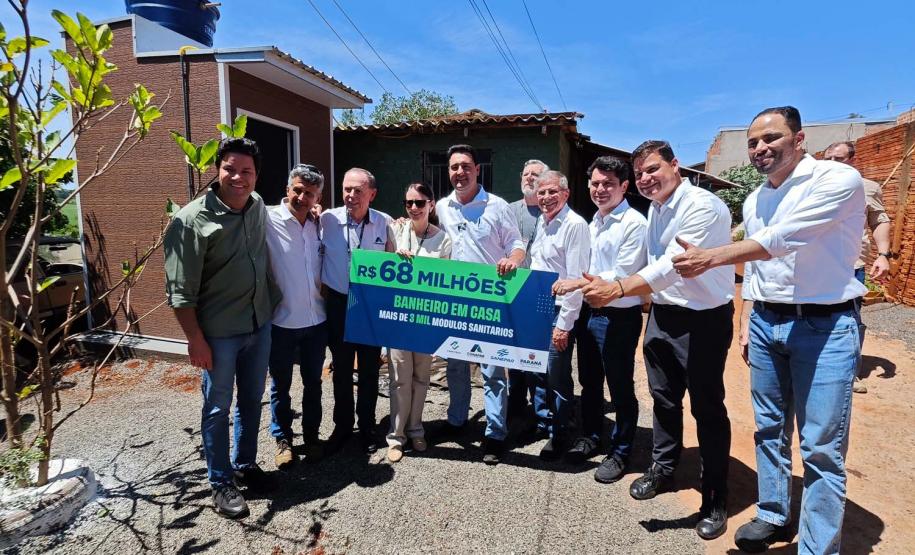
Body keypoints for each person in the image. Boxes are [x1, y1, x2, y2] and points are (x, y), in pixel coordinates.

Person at [672, 106, 866, 554]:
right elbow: (759, 272)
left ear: (799, 140)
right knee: (768, 428)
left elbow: (787, 238)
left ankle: (818, 547)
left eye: (771, 138)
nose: (760, 148)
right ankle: (774, 514)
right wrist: (747, 320)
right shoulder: (757, 197)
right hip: (766, 322)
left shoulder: (836, 180)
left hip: (825, 325)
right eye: (753, 143)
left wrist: (712, 256)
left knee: (821, 447)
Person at [568, 140, 735, 540]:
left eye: (652, 170)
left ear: (675, 165)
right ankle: (663, 468)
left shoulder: (701, 206)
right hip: (664, 315)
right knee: (663, 398)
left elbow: (670, 266)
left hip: (705, 319)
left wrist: (620, 287)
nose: (646, 179)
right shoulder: (657, 210)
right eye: (640, 172)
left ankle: (714, 496)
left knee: (707, 408)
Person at [164, 137, 277, 519]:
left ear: (256, 175)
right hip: (219, 335)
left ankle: (244, 465)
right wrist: (195, 339)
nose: (238, 177)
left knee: (251, 400)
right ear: (217, 169)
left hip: (258, 325)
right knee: (217, 407)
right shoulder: (190, 221)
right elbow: (180, 291)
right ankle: (220, 482)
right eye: (231, 168)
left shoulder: (258, 205)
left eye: (247, 171)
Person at [554, 156, 647, 481]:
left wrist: (576, 283)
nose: (600, 189)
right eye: (595, 183)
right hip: (589, 314)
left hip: (618, 317)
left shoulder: (634, 224)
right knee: (590, 382)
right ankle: (591, 436)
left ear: (624, 186)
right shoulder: (594, 222)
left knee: (620, 385)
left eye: (608, 183)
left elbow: (619, 275)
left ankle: (621, 452)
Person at [435, 144, 526, 465]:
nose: (459, 172)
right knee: (455, 366)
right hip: (454, 302)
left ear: (477, 170)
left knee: (492, 371)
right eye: (454, 167)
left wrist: (513, 260)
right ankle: (457, 421)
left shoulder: (497, 206)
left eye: (465, 166)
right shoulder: (443, 206)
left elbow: (517, 243)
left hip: (490, 301)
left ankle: (495, 435)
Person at [320, 168, 395, 454]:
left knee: (368, 370)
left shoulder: (385, 223)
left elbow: (397, 258)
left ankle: (366, 426)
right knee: (340, 368)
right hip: (339, 302)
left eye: (358, 191)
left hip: (369, 305)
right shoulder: (326, 219)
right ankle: (342, 426)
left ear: (372, 194)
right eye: (346, 189)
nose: (350, 196)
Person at [265, 164, 328, 468]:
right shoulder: (267, 218)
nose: (302, 197)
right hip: (281, 322)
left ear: (318, 198)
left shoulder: (319, 225)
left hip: (316, 321)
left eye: (310, 193)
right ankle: (282, 439)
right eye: (298, 190)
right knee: (280, 386)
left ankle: (312, 436)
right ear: (288, 189)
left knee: (313, 383)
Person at [386, 183, 453, 463]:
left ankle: (416, 429)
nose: (414, 207)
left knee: (421, 377)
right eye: (409, 202)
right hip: (399, 318)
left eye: (420, 202)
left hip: (426, 319)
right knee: (399, 379)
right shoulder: (394, 230)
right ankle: (396, 436)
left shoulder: (443, 240)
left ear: (431, 204)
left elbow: (447, 281)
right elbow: (382, 268)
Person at [527, 170, 590, 460]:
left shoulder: (575, 225)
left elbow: (576, 279)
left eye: (553, 192)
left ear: (565, 194)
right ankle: (544, 422)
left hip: (559, 310)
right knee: (537, 369)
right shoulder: (542, 221)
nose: (546, 197)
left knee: (557, 373)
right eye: (541, 192)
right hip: (538, 305)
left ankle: (561, 432)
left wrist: (564, 325)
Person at [824, 140, 892, 394]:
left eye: (839, 159)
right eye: (828, 158)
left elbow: (879, 220)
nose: (832, 164)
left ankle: (849, 372)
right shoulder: (813, 185)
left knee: (850, 318)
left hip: (851, 266)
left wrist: (883, 255)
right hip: (817, 266)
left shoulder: (866, 188)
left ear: (852, 161)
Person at [507, 159, 549, 432]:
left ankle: (543, 412)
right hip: (511, 293)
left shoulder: (551, 212)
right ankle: (516, 406)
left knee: (538, 357)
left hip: (540, 293)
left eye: (536, 174)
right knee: (512, 355)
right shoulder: (508, 211)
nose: (530, 178)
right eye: (526, 173)